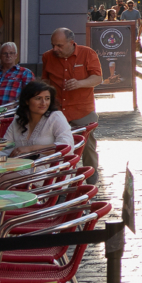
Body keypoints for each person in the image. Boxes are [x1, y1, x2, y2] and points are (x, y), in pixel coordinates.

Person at [42, 29, 104, 180]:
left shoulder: (87, 54)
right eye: (53, 45)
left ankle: (90, 179)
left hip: (82, 110)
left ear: (71, 43)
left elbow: (98, 78)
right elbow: (45, 81)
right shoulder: (48, 57)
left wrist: (79, 83)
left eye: (59, 45)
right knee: (58, 146)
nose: (55, 49)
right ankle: (62, 181)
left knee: (87, 146)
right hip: (57, 111)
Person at [3, 81, 75, 154]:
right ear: (27, 101)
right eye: (38, 98)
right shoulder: (19, 119)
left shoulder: (55, 117)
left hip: (50, 164)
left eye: (47, 98)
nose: (43, 103)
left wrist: (32, 149)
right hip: (18, 164)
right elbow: (5, 148)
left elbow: (67, 147)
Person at [0, 41, 34, 113]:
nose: (8, 55)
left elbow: (30, 97)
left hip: (12, 113)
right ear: (0, 56)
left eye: (11, 53)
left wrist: (16, 105)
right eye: (5, 53)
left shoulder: (25, 73)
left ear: (16, 55)